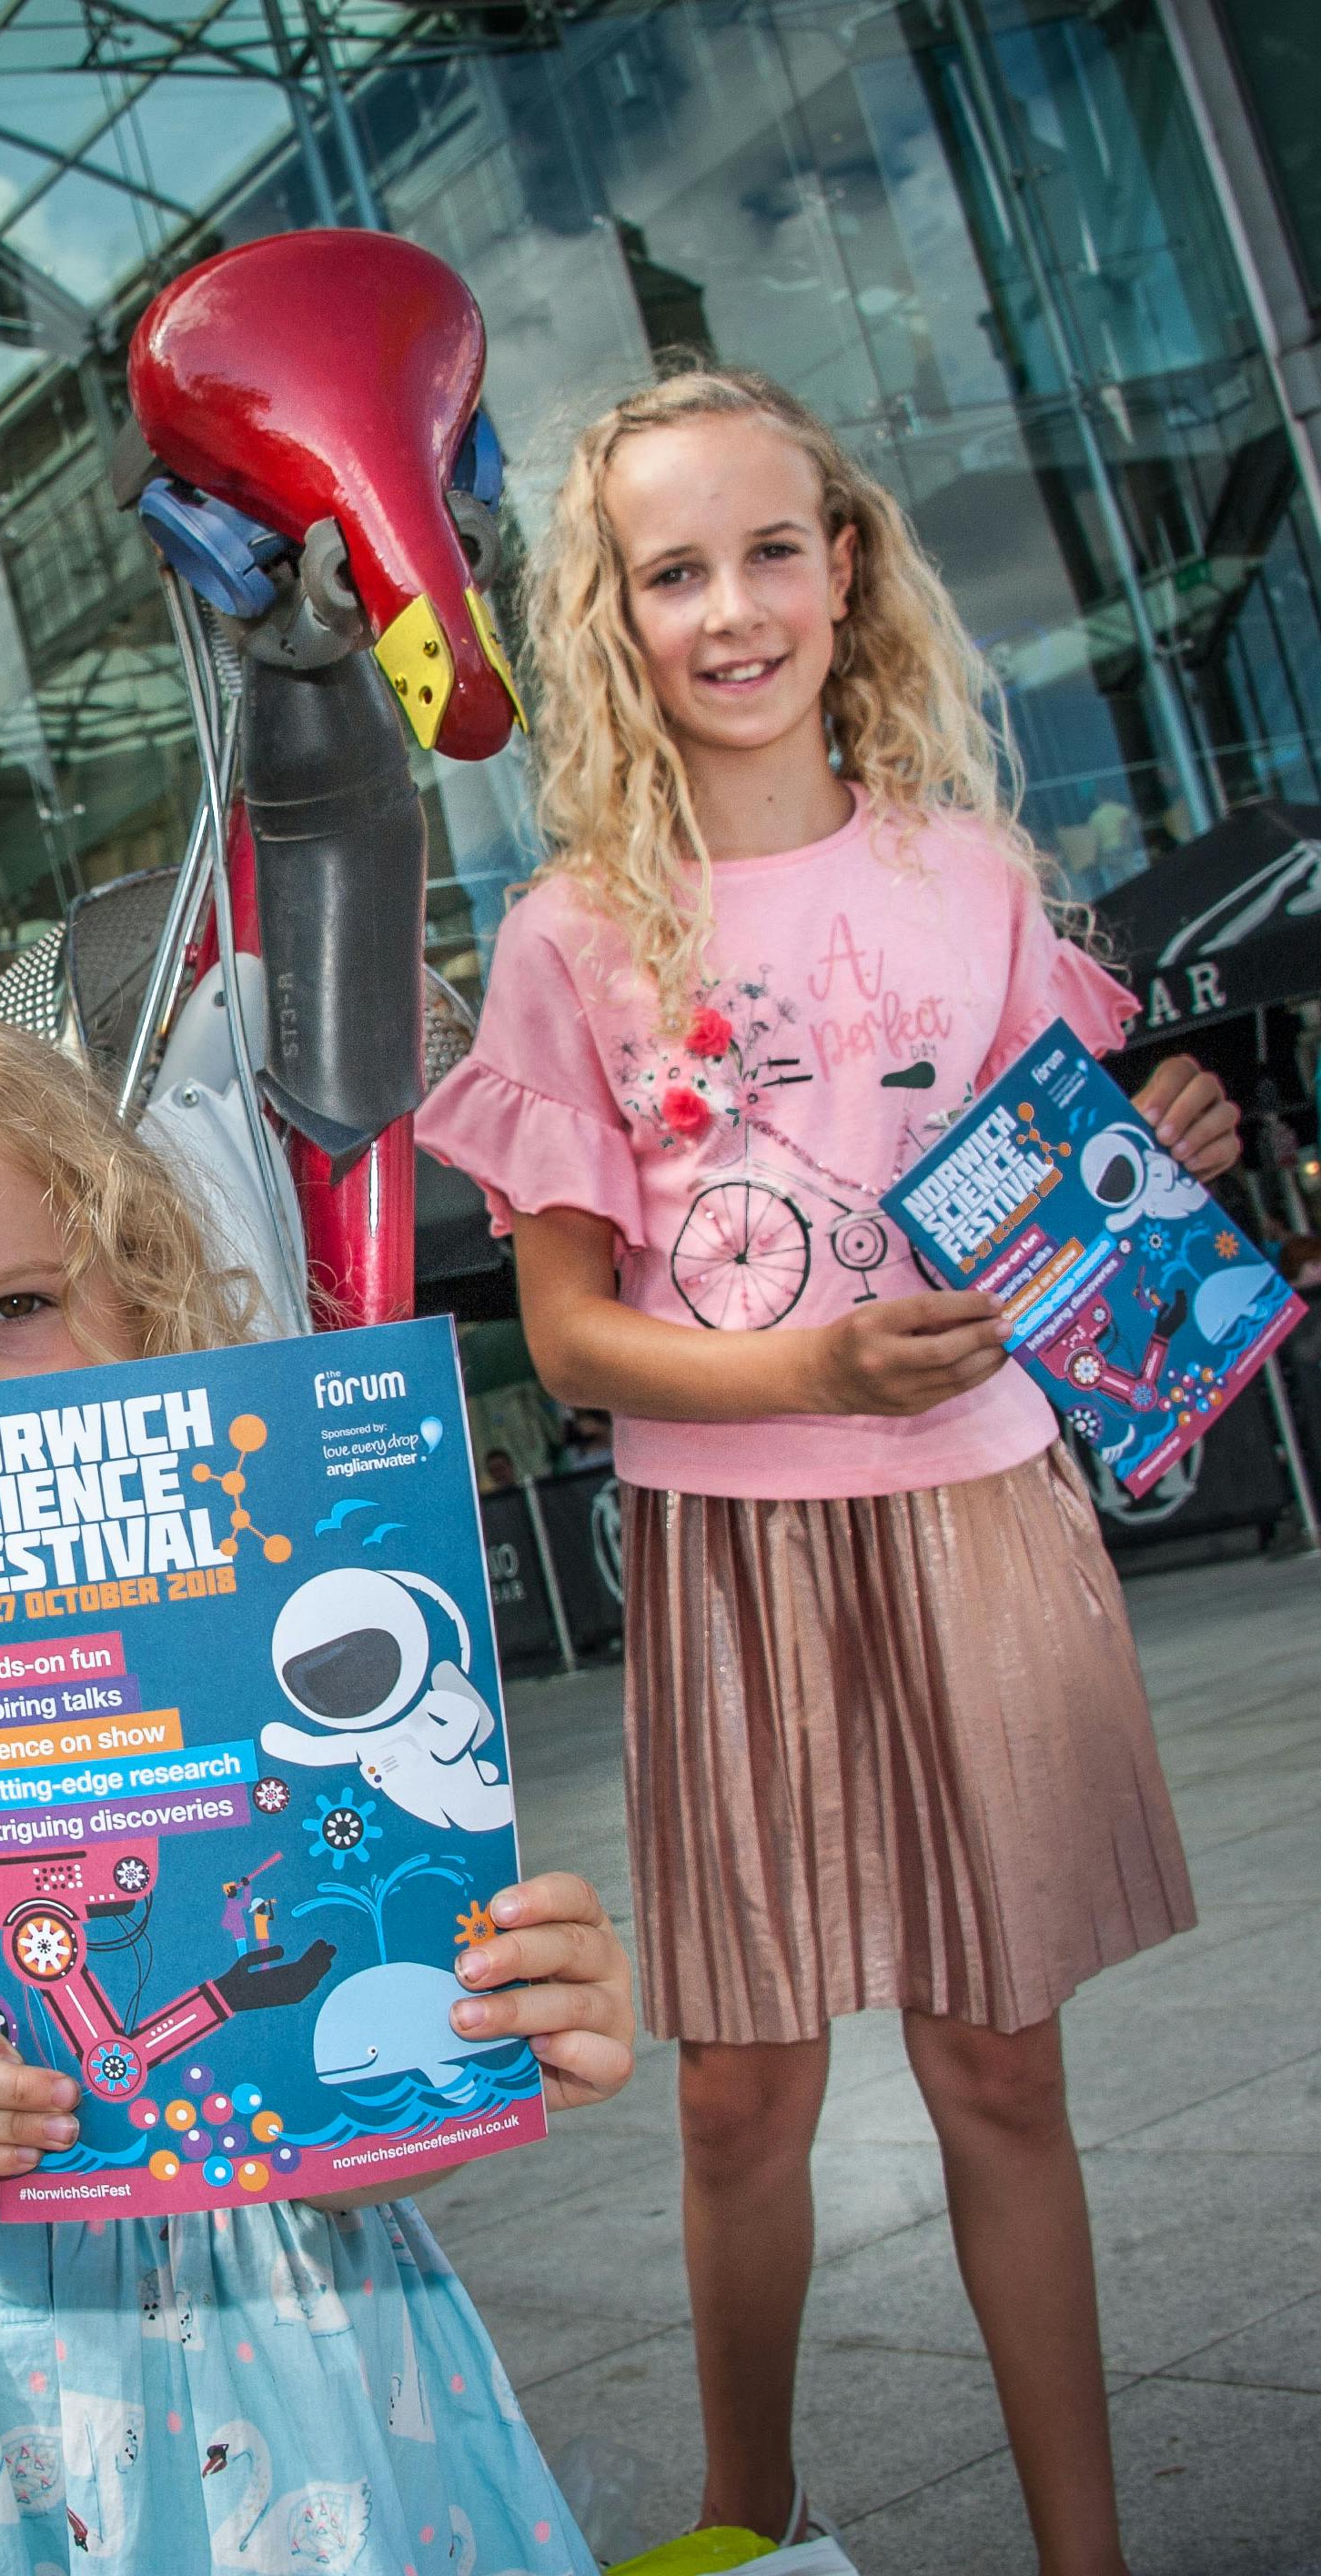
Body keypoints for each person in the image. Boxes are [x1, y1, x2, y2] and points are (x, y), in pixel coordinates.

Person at [414, 368, 1238, 2576]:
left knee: (999, 2069)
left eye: (768, 551)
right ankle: (744, 2527)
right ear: (613, 618)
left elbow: (1061, 1216)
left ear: (842, 566)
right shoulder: (572, 934)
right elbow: (569, 1339)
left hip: (979, 1515)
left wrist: (1156, 1160)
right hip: (737, 1555)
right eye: (670, 573)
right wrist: (814, 1368)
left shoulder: (965, 877)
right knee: (738, 2091)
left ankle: (1084, 2560)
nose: (731, 610)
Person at [0, 1007, 639, 2576]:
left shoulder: (268, 1646)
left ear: (137, 1296)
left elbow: (358, 2122)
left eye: (17, 1306)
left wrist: (499, 2032)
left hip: (299, 2353)